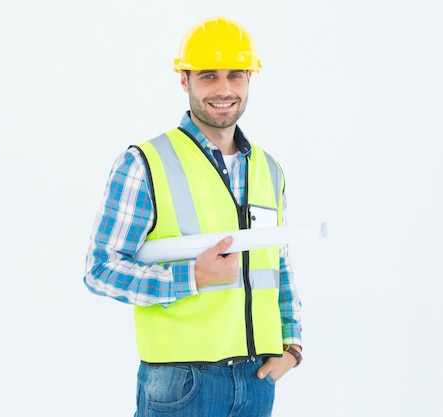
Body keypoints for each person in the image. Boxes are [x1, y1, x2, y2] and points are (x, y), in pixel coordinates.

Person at [84, 16, 302, 417]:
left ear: (250, 78)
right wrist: (192, 277)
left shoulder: (270, 169)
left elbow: (279, 264)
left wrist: (292, 346)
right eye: (208, 76)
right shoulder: (144, 163)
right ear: (184, 81)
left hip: (257, 381)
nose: (224, 90)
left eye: (235, 75)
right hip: (182, 384)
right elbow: (100, 269)